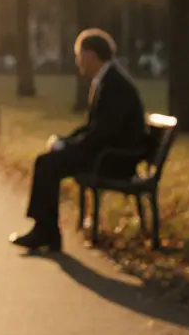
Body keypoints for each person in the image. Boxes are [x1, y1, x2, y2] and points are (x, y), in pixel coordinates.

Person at [10, 28, 147, 252]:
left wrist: (68, 146)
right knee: (49, 160)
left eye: (79, 55)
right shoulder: (108, 79)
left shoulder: (114, 85)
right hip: (108, 153)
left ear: (91, 55)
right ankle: (46, 231)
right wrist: (65, 141)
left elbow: (102, 133)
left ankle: (45, 232)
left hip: (113, 161)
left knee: (46, 163)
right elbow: (96, 128)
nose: (77, 61)